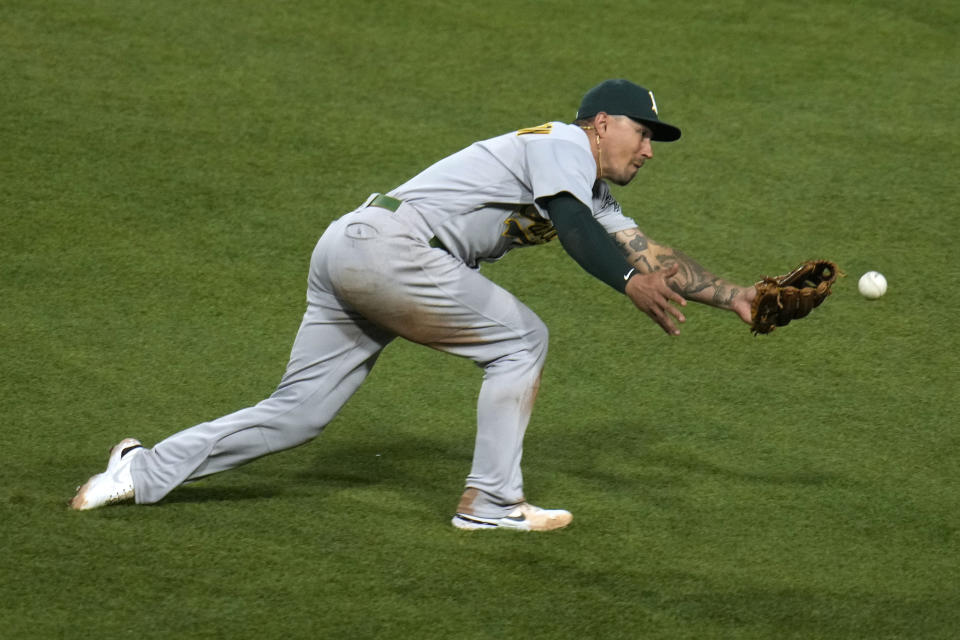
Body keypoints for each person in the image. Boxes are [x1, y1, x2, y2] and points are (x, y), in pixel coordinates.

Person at [71, 79, 756, 531]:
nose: (648, 149)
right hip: (392, 250)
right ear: (601, 123)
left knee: (298, 415)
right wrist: (626, 283)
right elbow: (579, 233)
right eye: (642, 133)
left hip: (359, 247)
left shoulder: (589, 187)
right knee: (521, 341)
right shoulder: (560, 144)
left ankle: (139, 469)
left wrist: (739, 298)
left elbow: (649, 252)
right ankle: (490, 503)